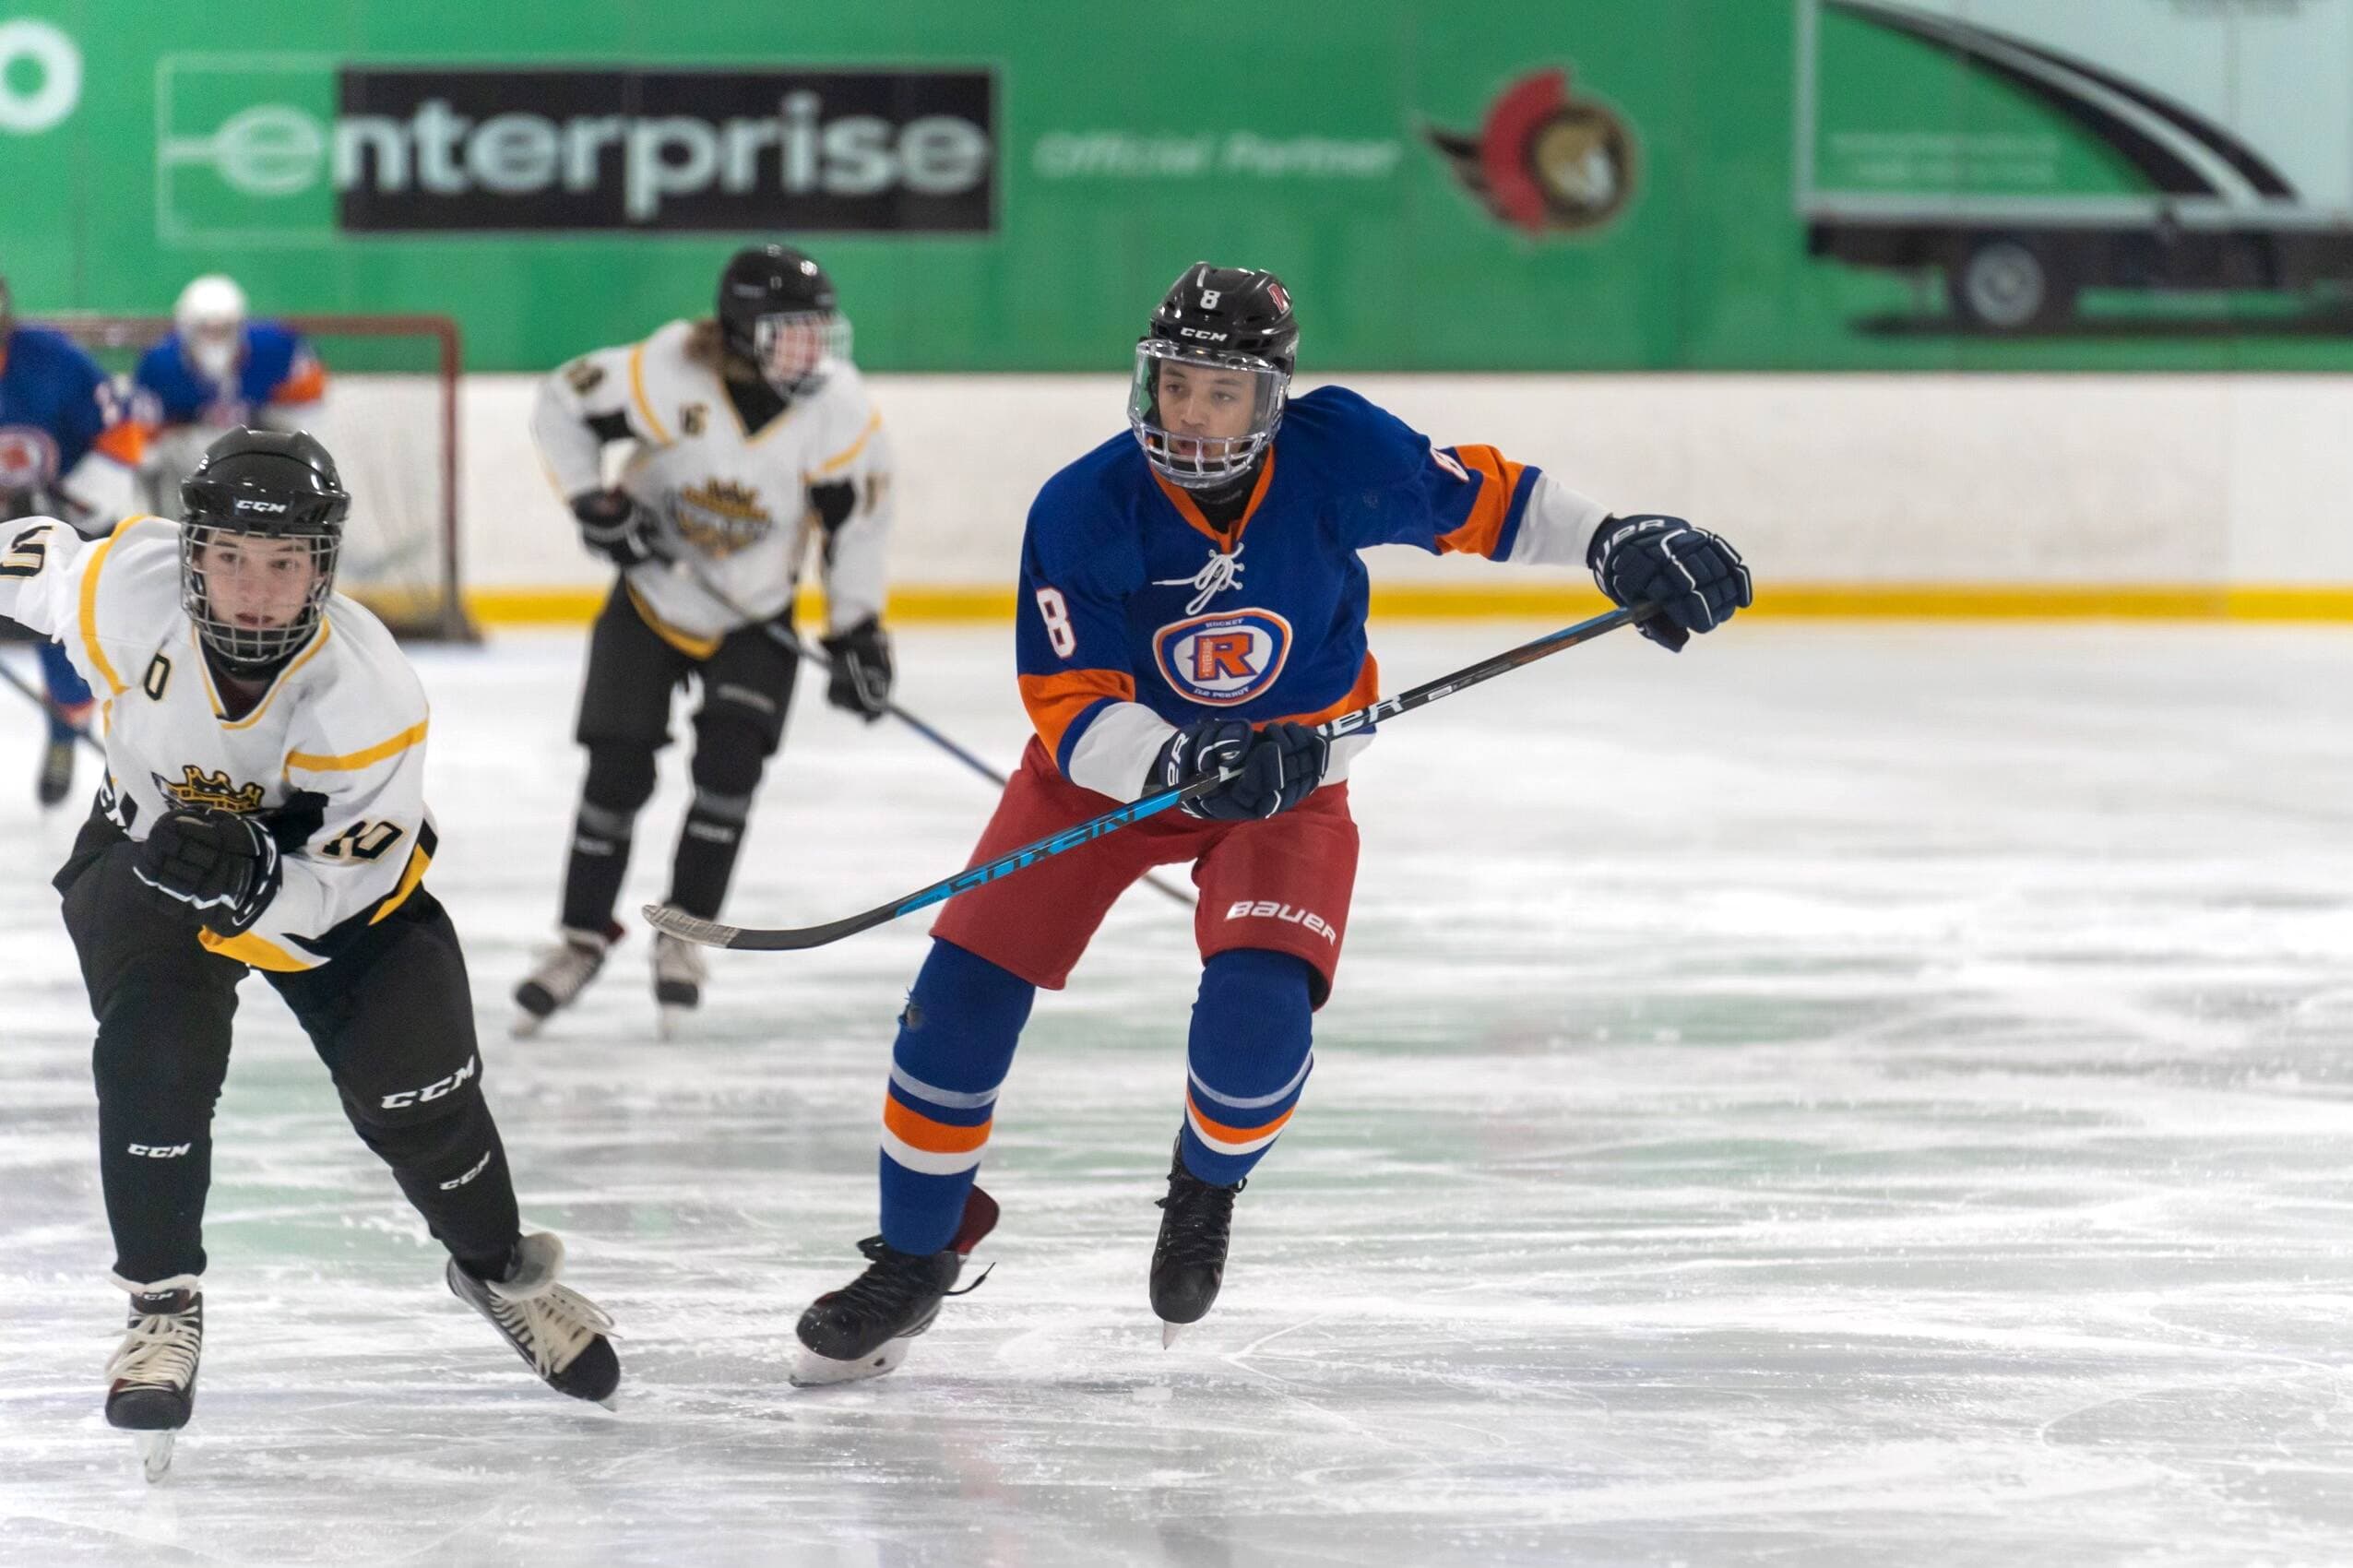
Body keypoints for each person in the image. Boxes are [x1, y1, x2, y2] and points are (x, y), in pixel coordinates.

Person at [789, 262, 1753, 1385]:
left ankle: (1204, 1184)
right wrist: (1179, 762)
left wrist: (1612, 540)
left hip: (1289, 776)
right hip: (1114, 778)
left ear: (1273, 398)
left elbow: (1490, 500)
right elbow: (1070, 702)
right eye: (1174, 385)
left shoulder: (1340, 451)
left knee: (1255, 1031)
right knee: (953, 1004)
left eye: (1222, 392)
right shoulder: (1082, 504)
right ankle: (914, 1255)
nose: (1190, 415)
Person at [0, 429, 619, 1479]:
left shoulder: (370, 697)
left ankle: (492, 1267)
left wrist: (256, 884)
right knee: (152, 1060)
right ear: (192, 554)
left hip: (328, 889)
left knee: (421, 1093)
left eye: (284, 563)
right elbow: (38, 559)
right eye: (231, 557)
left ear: (322, 568)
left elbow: (350, 885)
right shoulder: (126, 590)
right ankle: (161, 1305)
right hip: (149, 860)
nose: (255, 590)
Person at [516, 243, 897, 1036]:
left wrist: (856, 630)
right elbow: (561, 401)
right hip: (651, 598)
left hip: (755, 612)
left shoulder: (839, 409)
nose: (811, 350)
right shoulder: (665, 370)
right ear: (743, 329)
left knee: (729, 773)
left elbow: (856, 525)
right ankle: (580, 939)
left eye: (818, 332)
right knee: (615, 773)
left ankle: (683, 935)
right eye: (791, 332)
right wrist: (593, 503)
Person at [0, 271, 142, 804]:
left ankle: (63, 730)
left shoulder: (54, 360)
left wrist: (72, 502)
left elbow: (121, 435)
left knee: (65, 650)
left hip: (61, 518)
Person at [131, 274, 327, 515]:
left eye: (224, 329)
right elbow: (144, 443)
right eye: (205, 329)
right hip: (190, 460)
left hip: (260, 445)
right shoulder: (160, 362)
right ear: (186, 328)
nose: (215, 338)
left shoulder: (277, 347)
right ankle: (180, 525)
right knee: (165, 454)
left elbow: (307, 416)